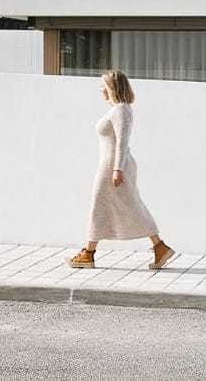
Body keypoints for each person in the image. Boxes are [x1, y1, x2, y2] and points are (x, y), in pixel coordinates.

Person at [68, 69, 176, 270]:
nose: (101, 89)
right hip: (112, 164)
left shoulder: (121, 110)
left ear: (113, 87)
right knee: (126, 206)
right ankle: (159, 247)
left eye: (104, 85)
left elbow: (122, 142)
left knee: (103, 206)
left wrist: (117, 169)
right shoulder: (117, 109)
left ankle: (88, 254)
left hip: (114, 165)